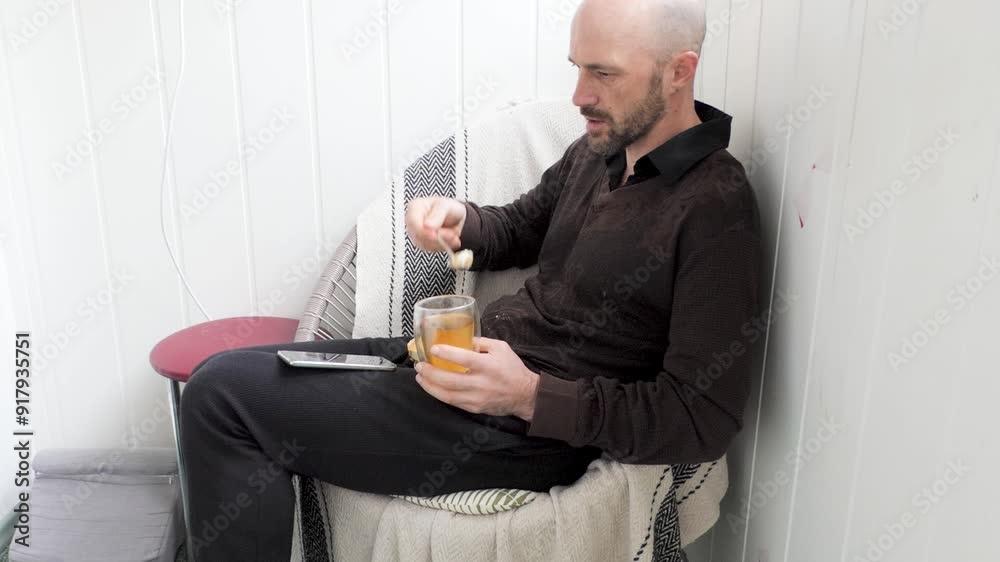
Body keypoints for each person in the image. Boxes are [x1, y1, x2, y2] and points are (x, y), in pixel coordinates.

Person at [179, 0, 761, 559]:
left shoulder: (715, 205)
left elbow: (701, 417)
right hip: (469, 367)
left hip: (523, 433)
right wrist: (461, 221)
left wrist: (528, 396)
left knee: (221, 400)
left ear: (679, 71)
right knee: (223, 376)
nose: (580, 95)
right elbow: (522, 226)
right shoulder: (600, 150)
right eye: (578, 69)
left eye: (603, 73)